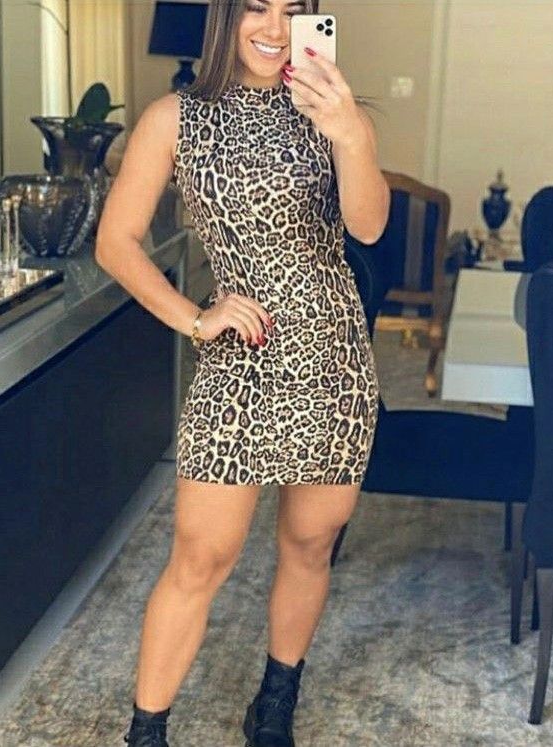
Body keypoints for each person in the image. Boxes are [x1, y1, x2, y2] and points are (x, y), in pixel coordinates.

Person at [95, 0, 389, 744]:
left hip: (332, 360)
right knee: (200, 557)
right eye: (257, 6)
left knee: (311, 544)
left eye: (293, 10)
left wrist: (349, 131)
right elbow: (116, 241)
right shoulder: (175, 119)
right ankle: (145, 733)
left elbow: (368, 225)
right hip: (241, 364)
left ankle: (273, 708)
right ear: (228, 14)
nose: (274, 27)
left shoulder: (335, 111)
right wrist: (194, 318)